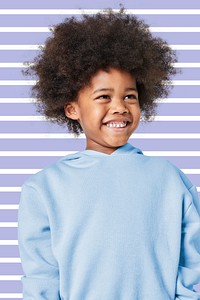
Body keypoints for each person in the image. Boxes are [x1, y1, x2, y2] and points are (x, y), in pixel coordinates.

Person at [18, 8, 200, 299]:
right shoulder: (43, 188)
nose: (120, 107)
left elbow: (189, 264)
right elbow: (41, 278)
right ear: (71, 108)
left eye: (130, 96)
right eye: (104, 96)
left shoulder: (169, 179)